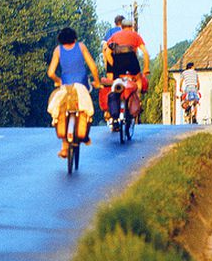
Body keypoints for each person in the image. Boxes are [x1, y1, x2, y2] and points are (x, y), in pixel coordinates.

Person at [47, 27, 100, 158]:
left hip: (66, 86)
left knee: (62, 111)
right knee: (86, 109)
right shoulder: (81, 46)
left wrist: (58, 80)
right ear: (75, 38)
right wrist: (97, 81)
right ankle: (85, 135)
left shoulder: (58, 50)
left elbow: (50, 73)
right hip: (82, 85)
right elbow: (93, 67)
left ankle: (64, 148)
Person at [104, 17, 150, 93]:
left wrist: (113, 64)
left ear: (121, 27)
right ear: (132, 27)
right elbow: (145, 52)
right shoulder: (135, 35)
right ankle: (137, 97)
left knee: (113, 81)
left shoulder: (115, 36)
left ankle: (114, 96)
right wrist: (146, 68)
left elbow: (107, 52)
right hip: (131, 58)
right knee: (138, 79)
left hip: (117, 59)